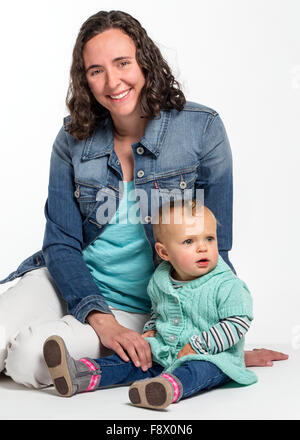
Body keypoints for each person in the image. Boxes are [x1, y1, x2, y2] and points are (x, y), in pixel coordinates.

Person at [0, 10, 287, 389]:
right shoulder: (72, 137)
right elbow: (61, 243)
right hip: (64, 283)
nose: (112, 81)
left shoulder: (202, 130)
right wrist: (98, 318)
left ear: (145, 63)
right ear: (84, 79)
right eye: (96, 70)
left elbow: (216, 246)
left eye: (122, 63)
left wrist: (218, 348)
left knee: (28, 356)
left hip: (142, 311)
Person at [43, 201, 257, 410]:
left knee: (198, 370)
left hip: (212, 356)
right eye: (189, 242)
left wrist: (199, 346)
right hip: (164, 351)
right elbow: (158, 310)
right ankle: (82, 373)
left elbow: (238, 322)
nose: (203, 248)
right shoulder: (160, 279)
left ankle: (165, 389)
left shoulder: (227, 284)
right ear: (164, 253)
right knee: (133, 361)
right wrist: (151, 330)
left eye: (209, 238)